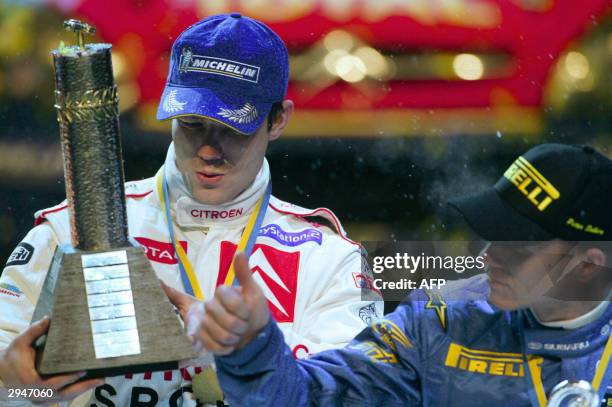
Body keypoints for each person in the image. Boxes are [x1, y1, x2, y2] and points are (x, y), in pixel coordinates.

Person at [0, 14, 381, 406]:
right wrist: (16, 387)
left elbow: (355, 396)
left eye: (232, 127)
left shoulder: (329, 259)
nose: (208, 150)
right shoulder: (67, 230)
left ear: (279, 119)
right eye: (192, 123)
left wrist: (247, 353)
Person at [188, 143, 611, 406]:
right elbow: (307, 398)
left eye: (517, 246)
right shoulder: (440, 320)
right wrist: (252, 346)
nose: (487, 257)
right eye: (490, 234)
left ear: (589, 263)